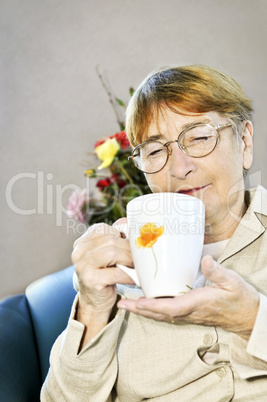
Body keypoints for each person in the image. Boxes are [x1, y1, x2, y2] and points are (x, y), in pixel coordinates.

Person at [41, 65, 267, 401]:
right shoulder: (125, 264)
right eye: (156, 151)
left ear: (245, 141)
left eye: (200, 137)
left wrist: (252, 320)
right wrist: (92, 308)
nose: (179, 169)